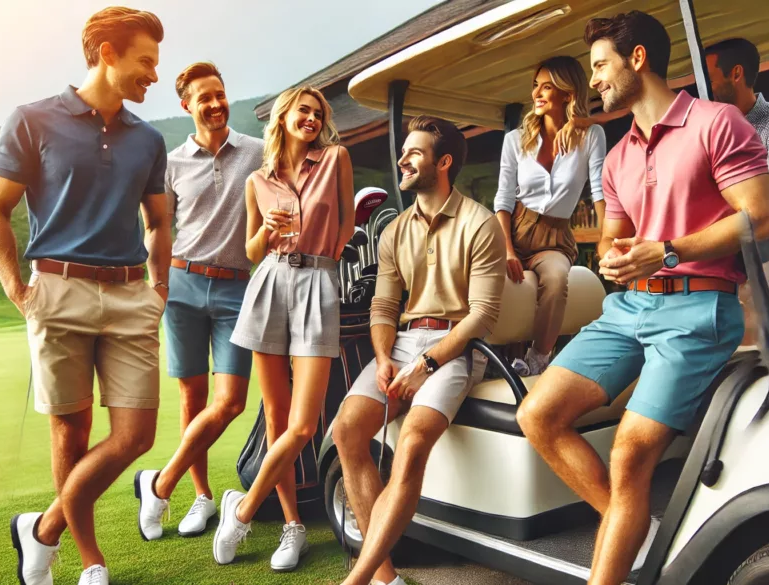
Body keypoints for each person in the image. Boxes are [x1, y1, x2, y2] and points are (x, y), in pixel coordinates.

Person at [515, 11, 769, 585]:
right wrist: (612, 257)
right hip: (629, 309)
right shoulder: (617, 155)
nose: (595, 81)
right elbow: (613, 234)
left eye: (601, 66)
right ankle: (630, 522)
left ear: (637, 60)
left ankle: (615, 551)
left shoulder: (717, 122)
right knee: (538, 414)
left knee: (630, 453)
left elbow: (757, 216)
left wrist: (667, 249)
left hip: (698, 307)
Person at [0, 7, 168, 585]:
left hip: (132, 296)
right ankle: (87, 560)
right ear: (107, 53)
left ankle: (41, 528)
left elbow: (158, 222)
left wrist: (158, 286)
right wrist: (17, 289)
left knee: (136, 436)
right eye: (145, 61)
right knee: (71, 432)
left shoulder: (150, 139)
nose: (153, 75)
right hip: (57, 290)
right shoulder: (31, 120)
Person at [332, 115, 507, 585]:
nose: (402, 160)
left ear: (443, 162)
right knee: (348, 432)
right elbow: (385, 304)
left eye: (414, 152)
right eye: (403, 151)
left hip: (456, 348)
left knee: (409, 445)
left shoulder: (480, 222)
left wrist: (427, 364)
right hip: (404, 342)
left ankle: (358, 579)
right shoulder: (394, 231)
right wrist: (387, 358)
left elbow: (482, 316)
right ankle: (385, 577)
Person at [211, 86, 355, 572]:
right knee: (275, 421)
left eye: (318, 113)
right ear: (284, 117)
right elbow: (251, 252)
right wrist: (269, 232)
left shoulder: (336, 158)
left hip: (317, 282)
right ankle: (292, 525)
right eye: (303, 111)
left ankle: (244, 508)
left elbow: (348, 220)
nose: (311, 118)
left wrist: (324, 267)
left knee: (304, 425)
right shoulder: (257, 179)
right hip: (270, 282)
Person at [133, 62, 264, 540]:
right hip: (183, 286)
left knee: (229, 401)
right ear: (186, 105)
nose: (215, 104)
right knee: (192, 398)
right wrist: (158, 286)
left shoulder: (257, 152)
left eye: (220, 94)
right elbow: (159, 230)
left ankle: (159, 483)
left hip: (237, 288)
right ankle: (203, 497)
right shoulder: (170, 163)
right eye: (204, 97)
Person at [494, 55, 606, 377]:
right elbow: (502, 200)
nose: (537, 94)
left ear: (568, 94)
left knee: (556, 278)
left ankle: (537, 360)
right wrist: (507, 250)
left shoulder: (590, 137)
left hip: (555, 238)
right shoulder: (514, 140)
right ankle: (478, 359)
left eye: (547, 87)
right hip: (512, 229)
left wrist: (606, 240)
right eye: (535, 86)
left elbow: (598, 192)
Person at [706, 37, 769, 316]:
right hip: (705, 256)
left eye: (710, 78)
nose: (703, 88)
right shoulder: (704, 126)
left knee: (758, 352)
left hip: (761, 257)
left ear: (736, 74)